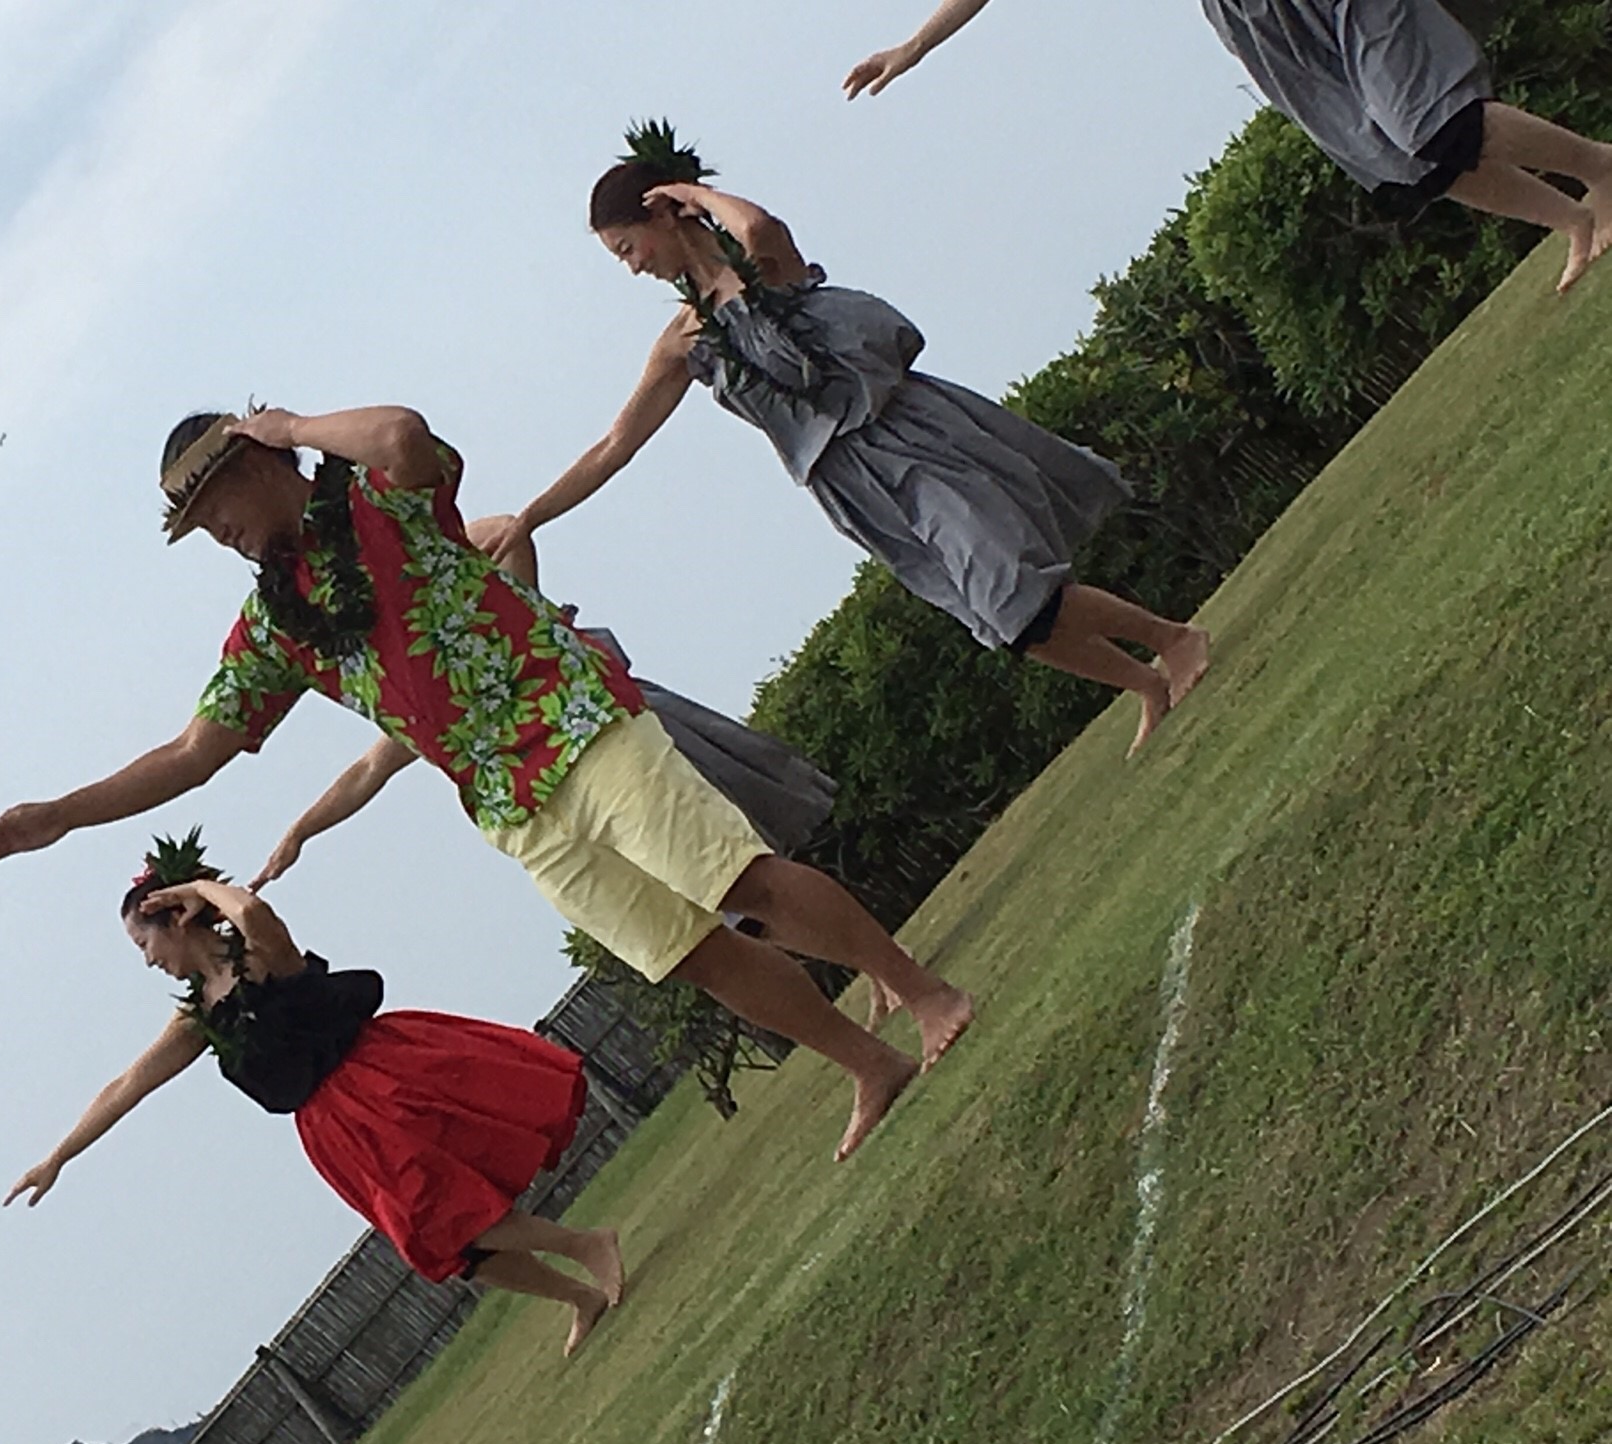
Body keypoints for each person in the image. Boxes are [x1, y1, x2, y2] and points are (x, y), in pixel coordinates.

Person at [0, 401, 972, 1159]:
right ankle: (868, 1062)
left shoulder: (378, 499)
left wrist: (296, 424)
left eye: (213, 506)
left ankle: (924, 996)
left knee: (738, 881)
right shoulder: (272, 625)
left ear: (258, 460)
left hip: (572, 720)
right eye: (196, 525)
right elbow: (194, 751)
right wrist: (62, 815)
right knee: (690, 954)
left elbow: (405, 434)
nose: (214, 532)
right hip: (505, 801)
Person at [482, 124, 1212, 759]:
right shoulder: (685, 341)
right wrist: (529, 518)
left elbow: (761, 226)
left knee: (1010, 587)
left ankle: (1174, 640)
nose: (632, 265)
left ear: (660, 213)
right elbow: (616, 444)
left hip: (905, 433)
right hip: (848, 482)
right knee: (1003, 618)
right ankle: (1146, 682)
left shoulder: (763, 270)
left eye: (627, 246)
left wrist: (695, 194)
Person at [251, 514, 907, 1026]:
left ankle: (895, 974)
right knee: (727, 906)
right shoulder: (429, 711)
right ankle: (881, 976)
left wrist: (511, 607)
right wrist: (298, 833)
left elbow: (507, 531)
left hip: (609, 728)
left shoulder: (468, 607)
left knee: (741, 864)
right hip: (544, 784)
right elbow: (369, 768)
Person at [8, 831, 624, 1356]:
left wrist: (199, 888)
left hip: (377, 1079)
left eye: (144, 944)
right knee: (442, 1243)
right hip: (333, 1130)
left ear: (174, 918)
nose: (147, 962)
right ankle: (580, 1296)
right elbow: (128, 1085)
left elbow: (251, 911)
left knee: (447, 1212)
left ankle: (586, 1245)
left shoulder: (260, 953)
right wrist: (58, 1156)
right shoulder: (197, 1019)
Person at [843, 0, 1612, 294]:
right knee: (1399, 160)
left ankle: (1601, 168)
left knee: (1434, 121)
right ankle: (1573, 220)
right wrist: (915, 46)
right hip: (1255, 21)